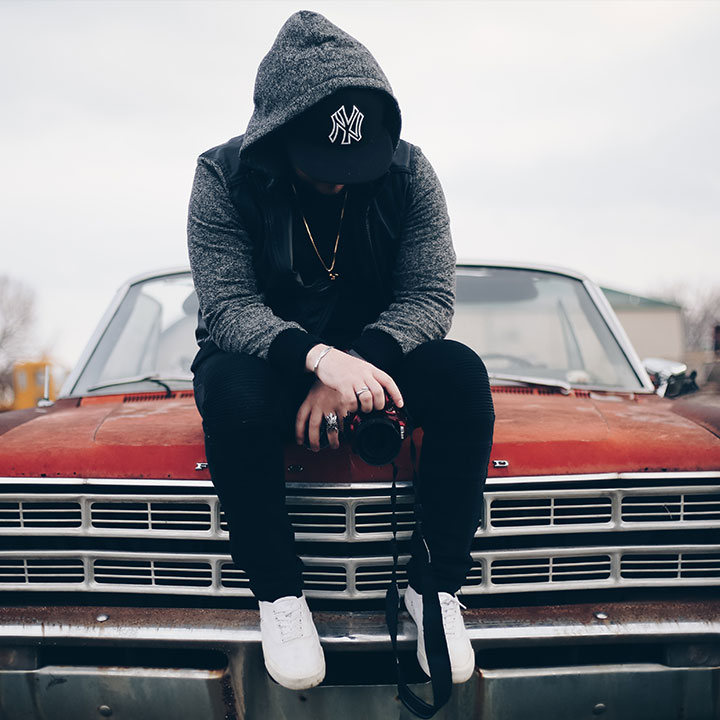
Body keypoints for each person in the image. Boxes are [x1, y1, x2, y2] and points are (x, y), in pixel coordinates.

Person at [187, 10, 495, 692]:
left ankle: (434, 589)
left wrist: (357, 369)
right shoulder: (222, 176)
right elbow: (228, 306)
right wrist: (321, 361)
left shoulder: (410, 174)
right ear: (276, 135)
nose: (341, 181)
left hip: (380, 357)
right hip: (266, 362)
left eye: (357, 164)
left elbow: (429, 297)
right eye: (324, 164)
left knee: (462, 375)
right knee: (230, 391)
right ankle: (280, 596)